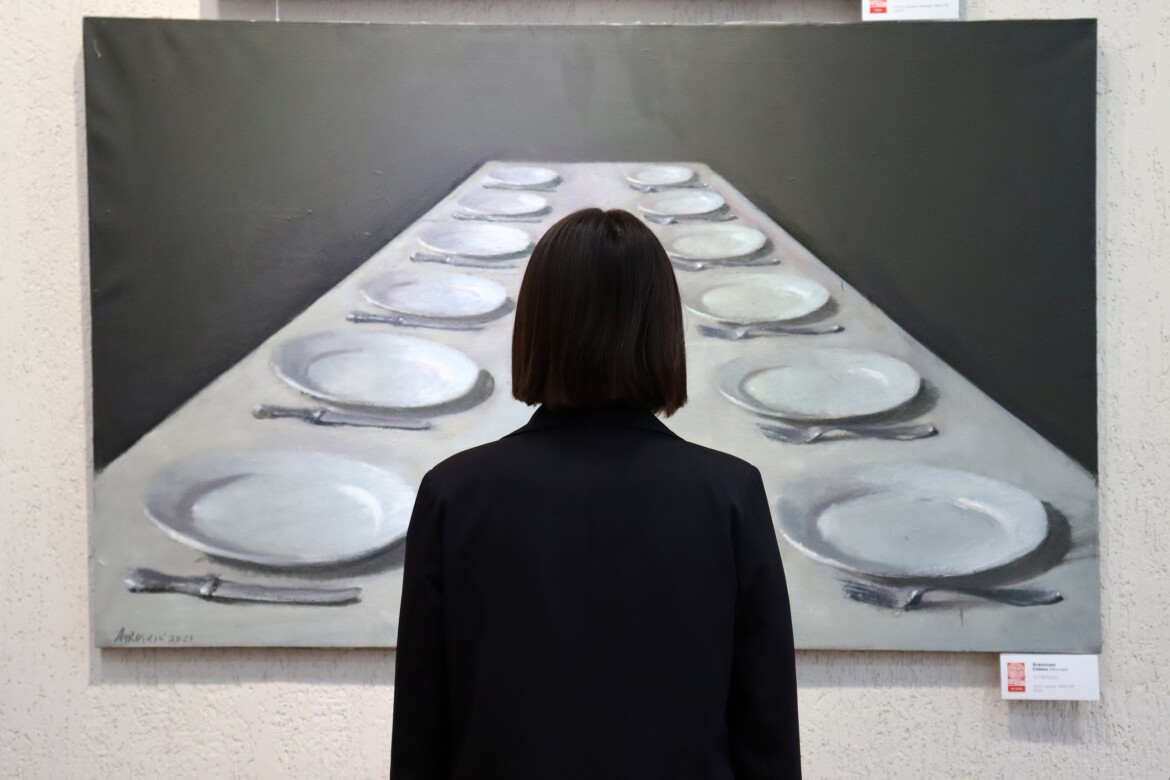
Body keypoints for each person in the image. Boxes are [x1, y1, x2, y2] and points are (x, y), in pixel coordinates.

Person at [390, 207, 801, 779]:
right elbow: (767, 739)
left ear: (536, 326)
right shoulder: (729, 495)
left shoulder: (454, 495)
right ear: (662, 329)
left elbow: (421, 741)